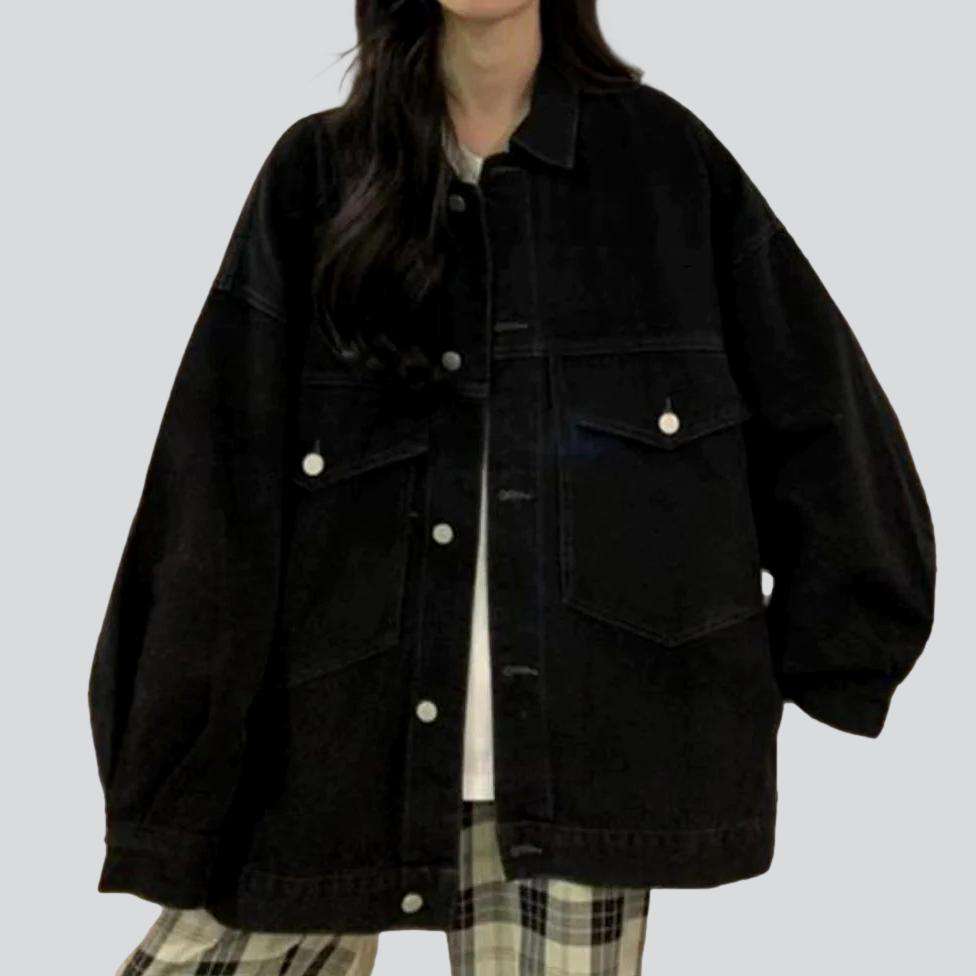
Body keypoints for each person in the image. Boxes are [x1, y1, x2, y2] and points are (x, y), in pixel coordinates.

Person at [91, 2, 936, 974]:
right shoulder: (317, 176)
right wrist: (171, 758)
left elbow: (819, 407)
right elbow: (212, 486)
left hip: (581, 773)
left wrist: (841, 644)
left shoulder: (665, 167)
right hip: (323, 764)